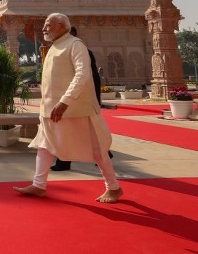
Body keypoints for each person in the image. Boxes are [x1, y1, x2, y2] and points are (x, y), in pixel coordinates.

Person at [14, 13, 122, 203]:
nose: (44, 29)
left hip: (75, 109)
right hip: (51, 109)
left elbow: (83, 75)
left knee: (97, 149)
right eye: (45, 25)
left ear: (62, 26)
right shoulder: (54, 47)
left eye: (49, 25)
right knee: (44, 145)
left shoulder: (75, 44)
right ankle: (39, 185)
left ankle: (113, 187)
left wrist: (65, 102)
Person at [50, 26, 105, 172]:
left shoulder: (79, 49)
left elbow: (86, 77)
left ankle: (64, 162)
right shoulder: (62, 49)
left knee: (71, 132)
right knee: (72, 132)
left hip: (76, 99)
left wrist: (67, 100)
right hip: (70, 98)